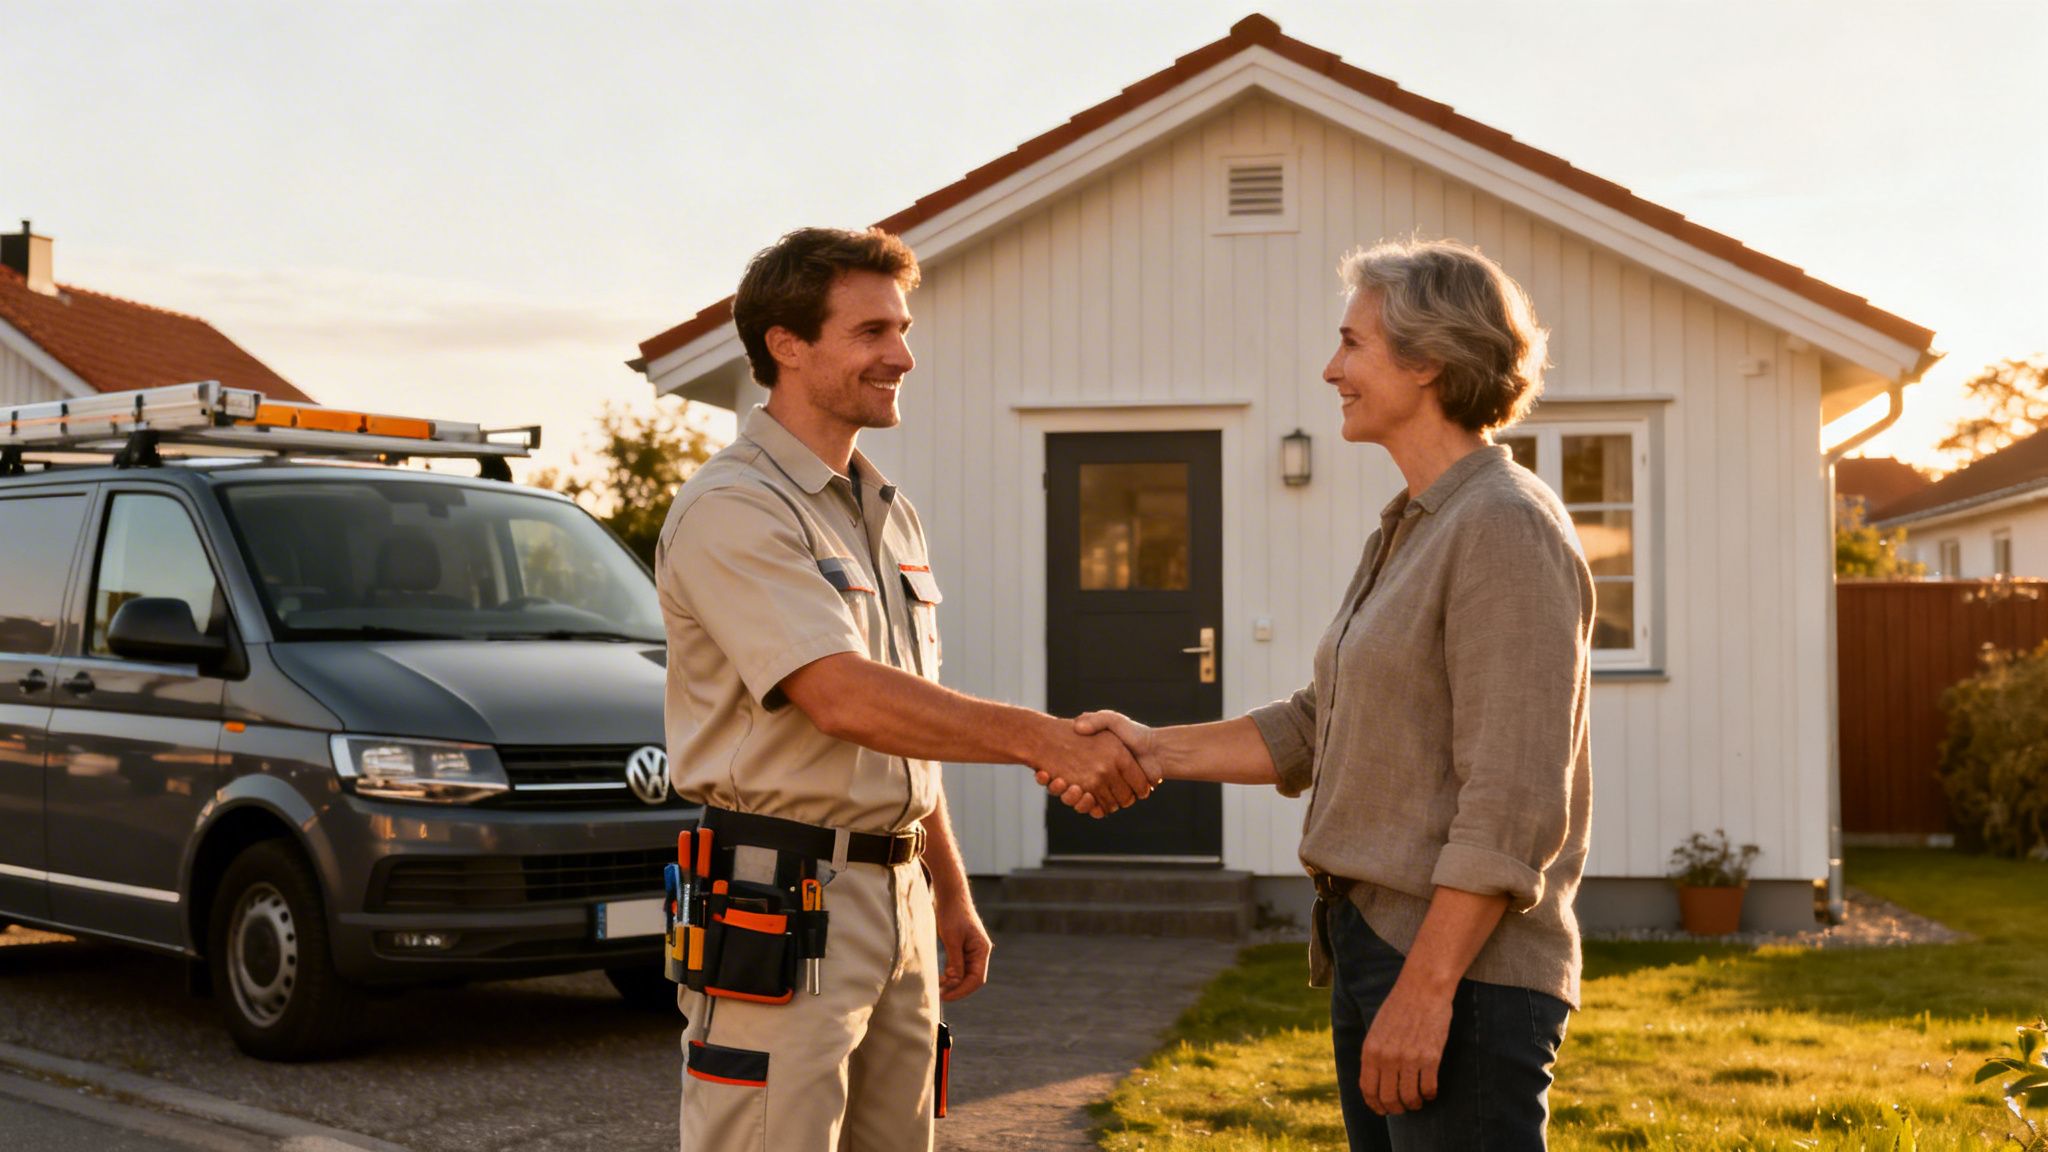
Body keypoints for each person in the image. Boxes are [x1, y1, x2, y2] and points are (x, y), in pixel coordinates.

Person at [1065, 238, 1592, 1150]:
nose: (1330, 369)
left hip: (1458, 974)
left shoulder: (1502, 527)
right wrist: (1150, 748)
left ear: (1427, 360)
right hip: (1378, 948)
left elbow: (1512, 803)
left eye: (1352, 344)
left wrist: (1426, 994)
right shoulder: (1414, 524)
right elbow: (1319, 724)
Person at [656, 226, 1152, 1151]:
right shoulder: (735, 507)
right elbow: (842, 697)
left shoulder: (887, 511)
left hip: (899, 899)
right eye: (874, 332)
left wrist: (948, 889)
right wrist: (1045, 739)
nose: (903, 355)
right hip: (779, 894)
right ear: (787, 345)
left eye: (904, 327)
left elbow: (905, 721)